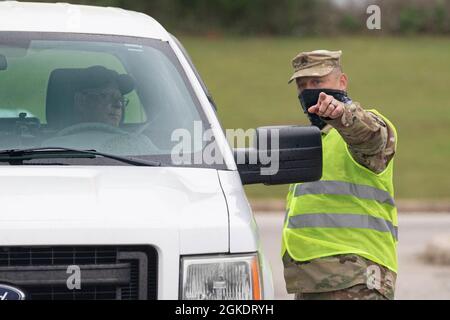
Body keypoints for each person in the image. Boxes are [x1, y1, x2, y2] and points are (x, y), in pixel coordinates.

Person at [282, 50, 398, 300]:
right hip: (312, 280)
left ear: (342, 82)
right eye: (302, 85)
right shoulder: (315, 139)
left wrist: (342, 114)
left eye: (317, 82)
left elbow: (370, 137)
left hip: (358, 279)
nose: (308, 90)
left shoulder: (371, 125)